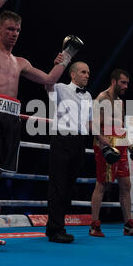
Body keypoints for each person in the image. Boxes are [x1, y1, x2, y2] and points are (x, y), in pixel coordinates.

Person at [0, 0, 83, 250]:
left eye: (17, 31)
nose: (14, 34)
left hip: (11, 116)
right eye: (9, 29)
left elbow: (48, 80)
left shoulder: (20, 62)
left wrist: (67, 56)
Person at [89, 69, 133, 237]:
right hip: (106, 144)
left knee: (126, 184)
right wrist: (101, 140)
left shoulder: (120, 102)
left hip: (120, 144)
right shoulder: (101, 98)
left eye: (127, 83)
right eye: (123, 82)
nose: (126, 86)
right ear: (113, 81)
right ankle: (95, 224)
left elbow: (121, 125)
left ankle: (129, 225)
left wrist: (129, 144)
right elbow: (92, 125)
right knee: (102, 185)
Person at [44, 61, 93, 243]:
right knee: (58, 185)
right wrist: (61, 63)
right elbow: (47, 83)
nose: (87, 75)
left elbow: (89, 123)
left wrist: (102, 142)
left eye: (88, 72)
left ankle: (53, 227)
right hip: (62, 139)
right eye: (83, 72)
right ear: (73, 74)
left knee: (69, 187)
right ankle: (57, 229)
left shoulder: (88, 95)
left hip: (79, 142)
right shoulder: (61, 88)